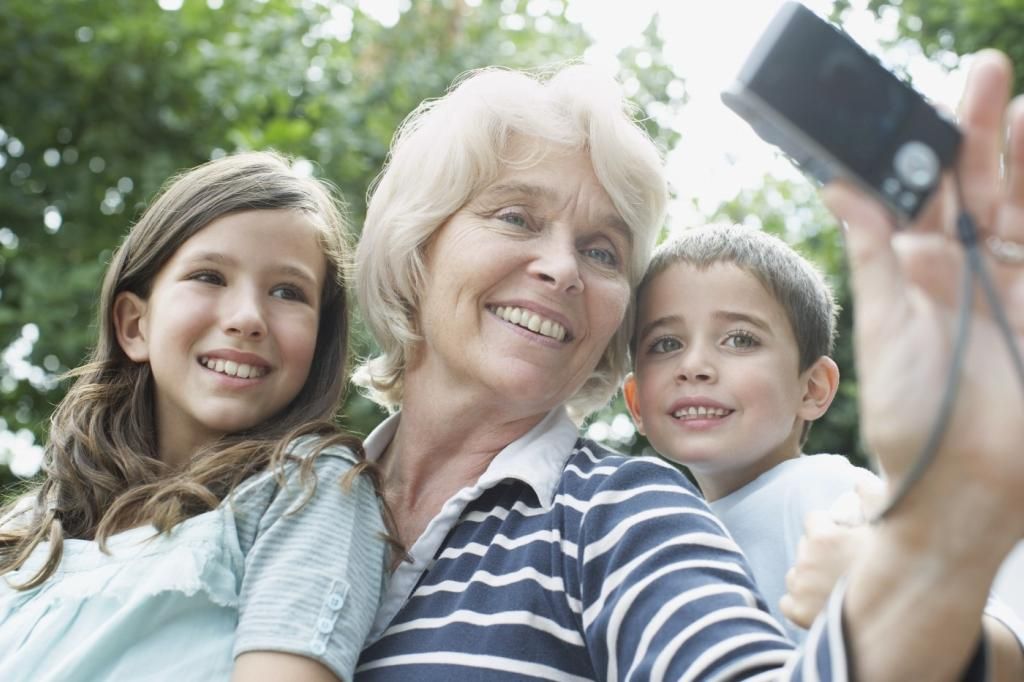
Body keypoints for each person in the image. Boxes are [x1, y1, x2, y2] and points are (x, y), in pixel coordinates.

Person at [351, 50, 1024, 681]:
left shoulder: (621, 516)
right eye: (516, 217)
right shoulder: (295, 484)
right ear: (417, 243)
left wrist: (939, 544)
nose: (561, 269)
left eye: (603, 251)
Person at [0, 152, 389, 682]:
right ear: (134, 325)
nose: (248, 318)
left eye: (287, 292)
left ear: (319, 343)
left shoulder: (308, 485)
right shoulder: (30, 526)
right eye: (210, 276)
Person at [621, 224, 1024, 647]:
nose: (695, 364)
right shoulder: (662, 531)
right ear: (636, 402)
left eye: (739, 339)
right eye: (666, 344)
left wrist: (878, 598)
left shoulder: (828, 493)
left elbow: (1006, 646)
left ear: (813, 389)